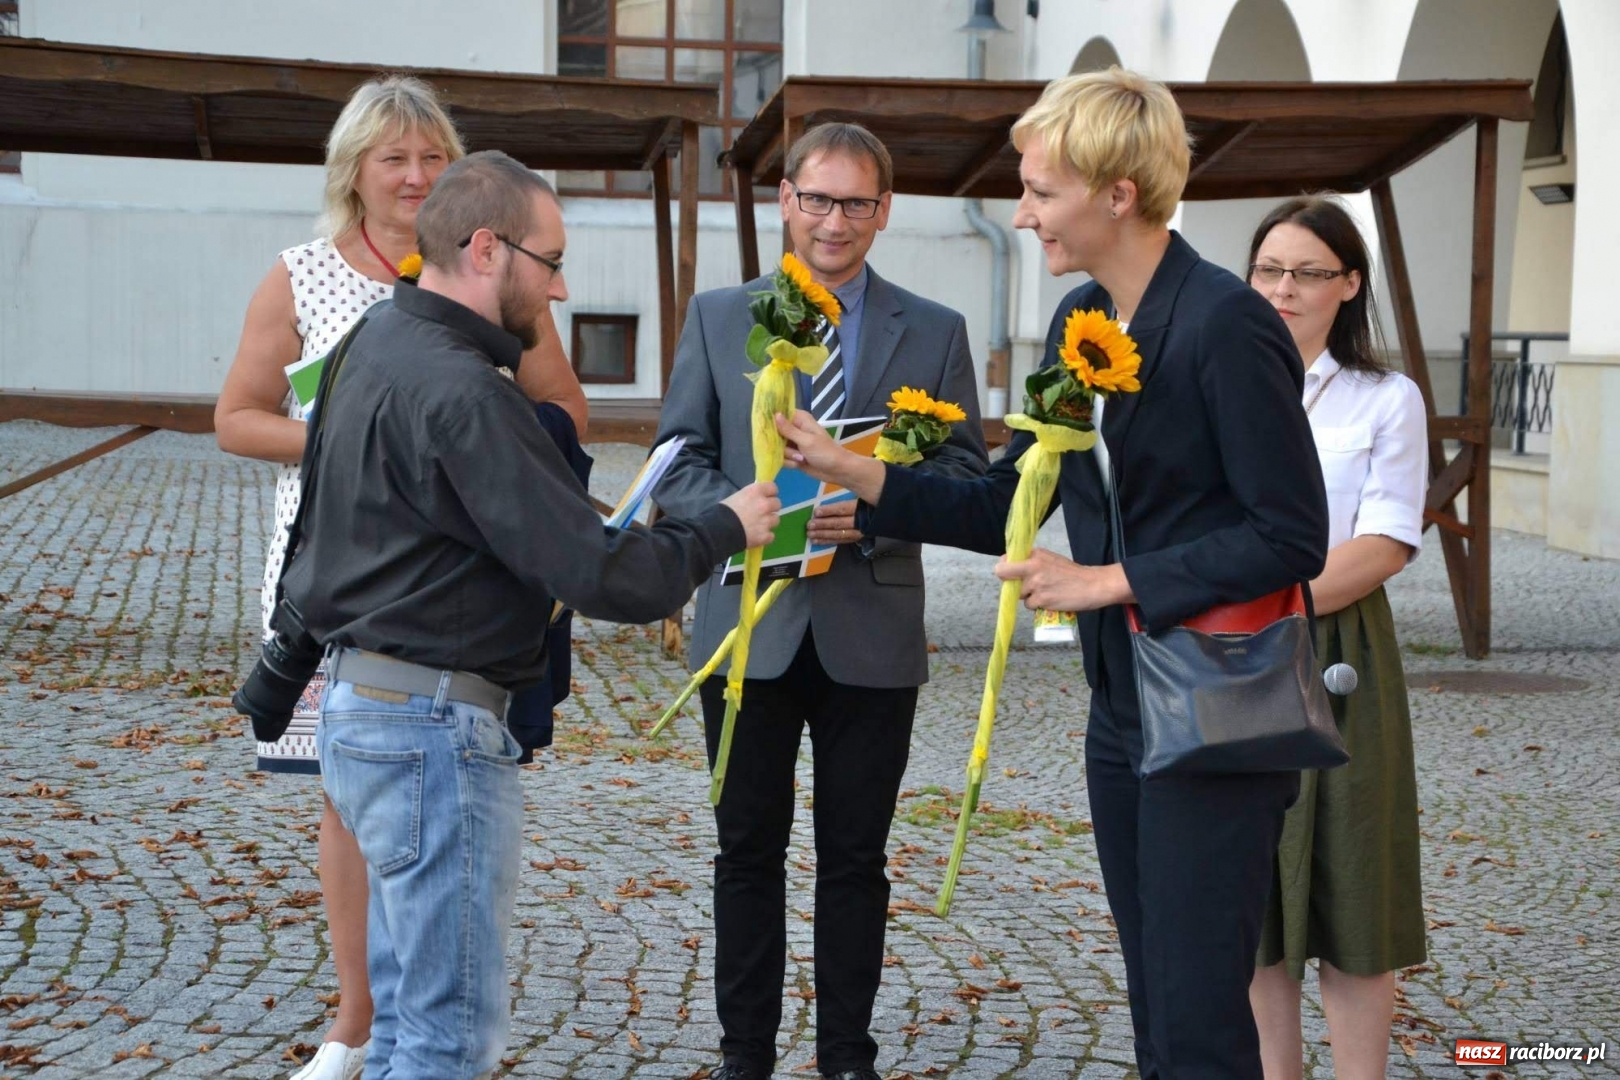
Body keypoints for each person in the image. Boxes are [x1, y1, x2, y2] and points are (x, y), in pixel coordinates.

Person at [775, 71, 1329, 1079]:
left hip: (1216, 709)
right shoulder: (1083, 319)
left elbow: (1292, 535)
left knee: (1202, 1023)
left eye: (1041, 191)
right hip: (1124, 709)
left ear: (1119, 193)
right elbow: (1006, 500)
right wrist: (865, 473)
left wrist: (1115, 580)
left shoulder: (1225, 325)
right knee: (1159, 1006)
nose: (1022, 213)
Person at [279, 150, 780, 1078]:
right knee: (443, 1040)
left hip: (364, 712)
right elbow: (606, 577)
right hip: (430, 729)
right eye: (548, 262)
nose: (558, 288)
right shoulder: (466, 390)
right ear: (484, 249)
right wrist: (723, 526)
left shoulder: (373, 346)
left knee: (397, 1029)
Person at [213, 76, 588, 1080]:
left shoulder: (491, 271)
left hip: (460, 570)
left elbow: (562, 413)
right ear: (355, 172)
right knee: (352, 789)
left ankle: (402, 1010)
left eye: (432, 156)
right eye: (394, 157)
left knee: (416, 791)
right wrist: (362, 442)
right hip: (336, 558)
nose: (416, 174)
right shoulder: (301, 275)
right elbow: (235, 416)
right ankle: (356, 1015)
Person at [651, 122, 988, 1080]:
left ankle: (847, 1057)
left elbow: (967, 479)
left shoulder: (934, 331)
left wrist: (873, 517)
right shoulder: (721, 316)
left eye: (855, 203)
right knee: (746, 854)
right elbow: (677, 462)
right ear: (786, 200)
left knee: (855, 860)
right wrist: (734, 514)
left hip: (869, 626)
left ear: (884, 211)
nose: (833, 220)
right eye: (816, 198)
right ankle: (744, 1056)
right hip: (747, 626)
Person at [1244, 196, 1428, 1080]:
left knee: (1353, 883)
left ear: (1349, 285)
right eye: (1269, 269)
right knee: (1254, 898)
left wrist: (1273, 602)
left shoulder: (1385, 398)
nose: (1284, 289)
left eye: (1309, 272)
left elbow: (1386, 540)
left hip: (1333, 637)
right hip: (1230, 648)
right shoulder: (1220, 379)